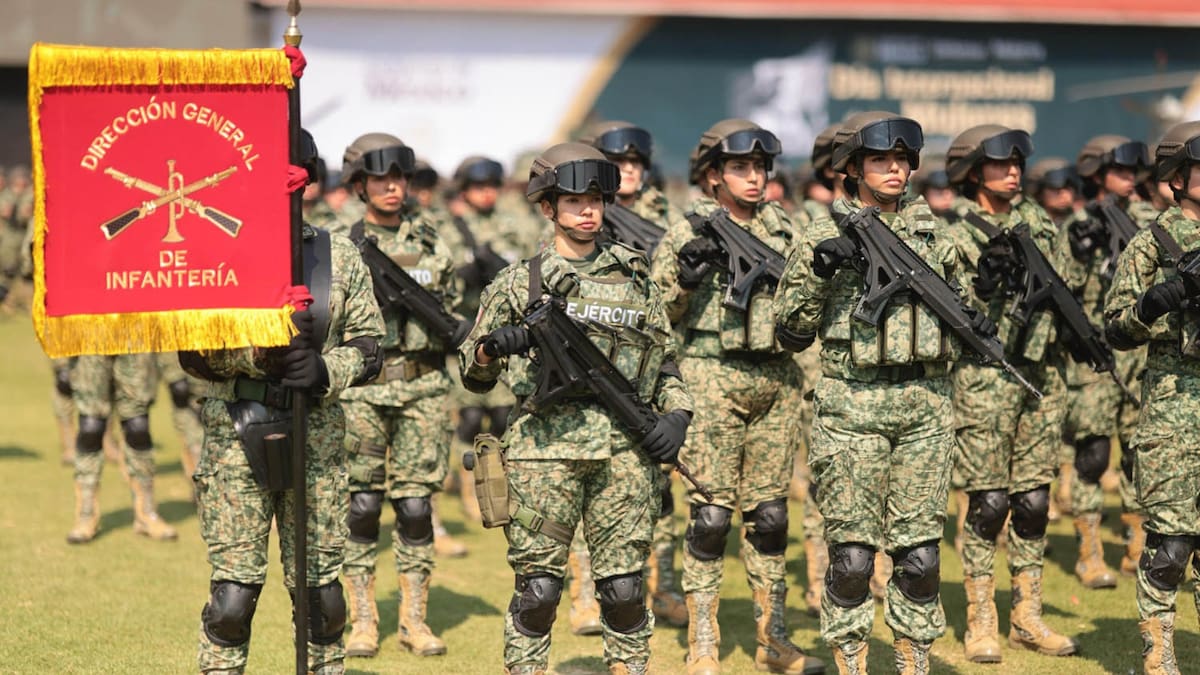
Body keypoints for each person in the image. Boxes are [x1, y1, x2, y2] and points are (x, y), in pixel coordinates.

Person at [460, 142, 692, 675]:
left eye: (595, 200)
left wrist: (677, 418)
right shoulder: (520, 281)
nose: (588, 211)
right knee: (538, 593)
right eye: (574, 202)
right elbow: (473, 377)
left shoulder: (636, 278)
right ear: (548, 208)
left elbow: (668, 364)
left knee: (625, 591)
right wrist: (492, 347)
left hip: (623, 453)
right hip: (542, 454)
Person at [182, 129, 385, 675]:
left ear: (310, 181)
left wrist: (324, 369)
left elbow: (370, 348)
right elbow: (191, 353)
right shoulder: (217, 247)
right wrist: (259, 356)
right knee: (232, 601)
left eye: (295, 176)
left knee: (323, 599)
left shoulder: (337, 253)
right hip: (235, 436)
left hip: (315, 435)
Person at [775, 111, 966, 674]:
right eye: (880, 160)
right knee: (854, 558)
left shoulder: (939, 235)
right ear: (853, 168)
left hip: (925, 408)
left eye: (902, 161)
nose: (894, 170)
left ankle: (913, 662)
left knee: (921, 557)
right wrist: (818, 268)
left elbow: (960, 319)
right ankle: (852, 662)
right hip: (851, 406)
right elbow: (789, 329)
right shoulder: (821, 232)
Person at [651, 119, 821, 675]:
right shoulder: (687, 230)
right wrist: (685, 278)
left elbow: (807, 307)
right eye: (740, 168)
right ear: (713, 176)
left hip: (776, 379)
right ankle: (703, 639)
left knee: (771, 517)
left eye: (759, 169)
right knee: (711, 518)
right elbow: (656, 316)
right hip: (710, 376)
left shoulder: (788, 231)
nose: (754, 179)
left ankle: (774, 639)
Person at [942, 124, 1078, 663]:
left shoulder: (1041, 225)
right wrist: (980, 286)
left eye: (1018, 162)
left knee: (1033, 503)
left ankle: (1027, 615)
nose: (1014, 171)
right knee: (988, 503)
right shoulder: (953, 235)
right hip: (982, 381)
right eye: (1001, 163)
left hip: (1041, 378)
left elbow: (1063, 289)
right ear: (973, 172)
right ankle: (981, 620)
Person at [334, 132, 462, 659]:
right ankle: (363, 619)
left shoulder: (436, 241)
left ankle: (414, 619)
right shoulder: (340, 245)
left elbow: (452, 309)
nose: (393, 187)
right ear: (359, 185)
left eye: (400, 178)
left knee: (414, 505)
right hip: (364, 389)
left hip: (425, 388)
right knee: (362, 505)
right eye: (380, 179)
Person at [584, 120, 691, 631]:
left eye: (635, 163)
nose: (628, 171)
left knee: (661, 485)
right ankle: (587, 593)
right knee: (591, 481)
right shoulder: (583, 212)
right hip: (598, 365)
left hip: (656, 360)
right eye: (618, 163)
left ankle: (663, 586)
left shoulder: (669, 218)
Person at [1105, 119, 1200, 675]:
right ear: (1176, 180)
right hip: (1175, 397)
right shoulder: (1153, 243)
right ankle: (1158, 653)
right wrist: (1156, 302)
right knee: (1172, 541)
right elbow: (1116, 329)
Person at [1060, 135, 1156, 585]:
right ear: (1096, 173)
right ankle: (1089, 550)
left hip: (1140, 352)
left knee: (1139, 453)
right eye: (1120, 169)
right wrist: (1081, 255)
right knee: (1093, 455)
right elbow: (1062, 290)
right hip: (1094, 358)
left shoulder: (1149, 221)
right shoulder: (1078, 224)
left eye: (1134, 169)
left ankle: (1137, 546)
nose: (1130, 177)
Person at [66, 352, 177, 544]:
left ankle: (146, 513)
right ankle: (86, 514)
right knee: (91, 427)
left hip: (133, 334)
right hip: (90, 334)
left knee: (138, 426)